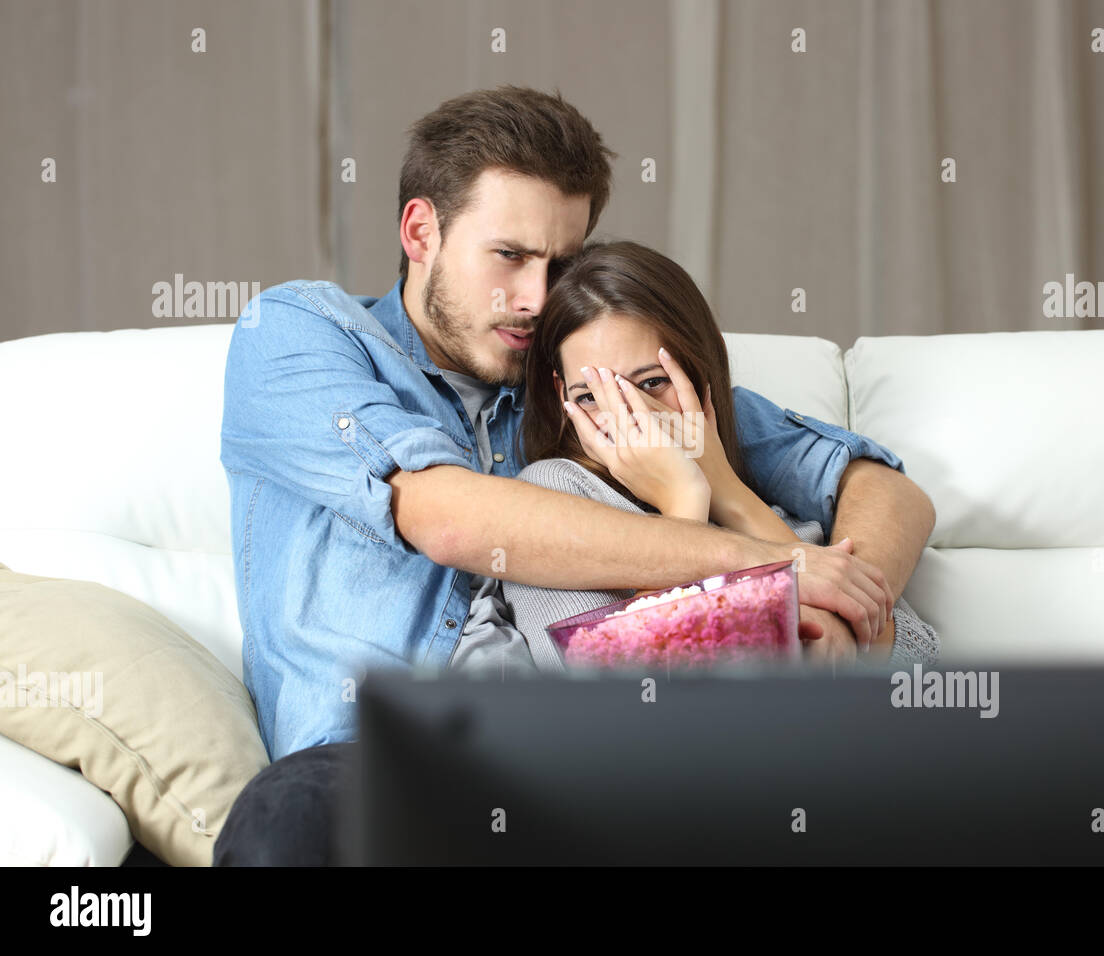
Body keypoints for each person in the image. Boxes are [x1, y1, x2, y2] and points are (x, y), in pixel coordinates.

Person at [214, 85, 936, 865]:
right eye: (510, 257)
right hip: (371, 760)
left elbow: (877, 486)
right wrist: (781, 567)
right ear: (421, 231)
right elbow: (446, 516)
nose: (535, 298)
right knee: (286, 825)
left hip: (562, 762)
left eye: (561, 264)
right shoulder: (302, 333)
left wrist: (838, 616)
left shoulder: (586, 377)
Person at [446, 240, 940, 676]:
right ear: (561, 395)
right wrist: (683, 501)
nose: (632, 416)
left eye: (652, 383)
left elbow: (918, 657)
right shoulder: (555, 492)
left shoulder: (761, 472)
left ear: (700, 372)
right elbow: (626, 695)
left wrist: (727, 492)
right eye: (594, 395)